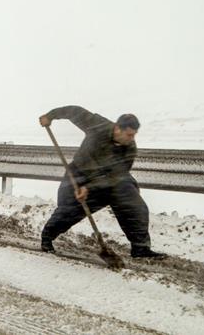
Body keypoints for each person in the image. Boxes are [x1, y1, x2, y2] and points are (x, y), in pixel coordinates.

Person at [39, 105, 166, 259]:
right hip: (78, 175)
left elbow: (117, 176)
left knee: (132, 201)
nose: (132, 139)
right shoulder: (98, 125)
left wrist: (89, 188)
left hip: (107, 182)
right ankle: (47, 237)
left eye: (134, 135)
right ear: (118, 129)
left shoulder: (130, 149)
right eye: (129, 135)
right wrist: (50, 115)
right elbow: (75, 112)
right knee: (68, 210)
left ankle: (140, 249)